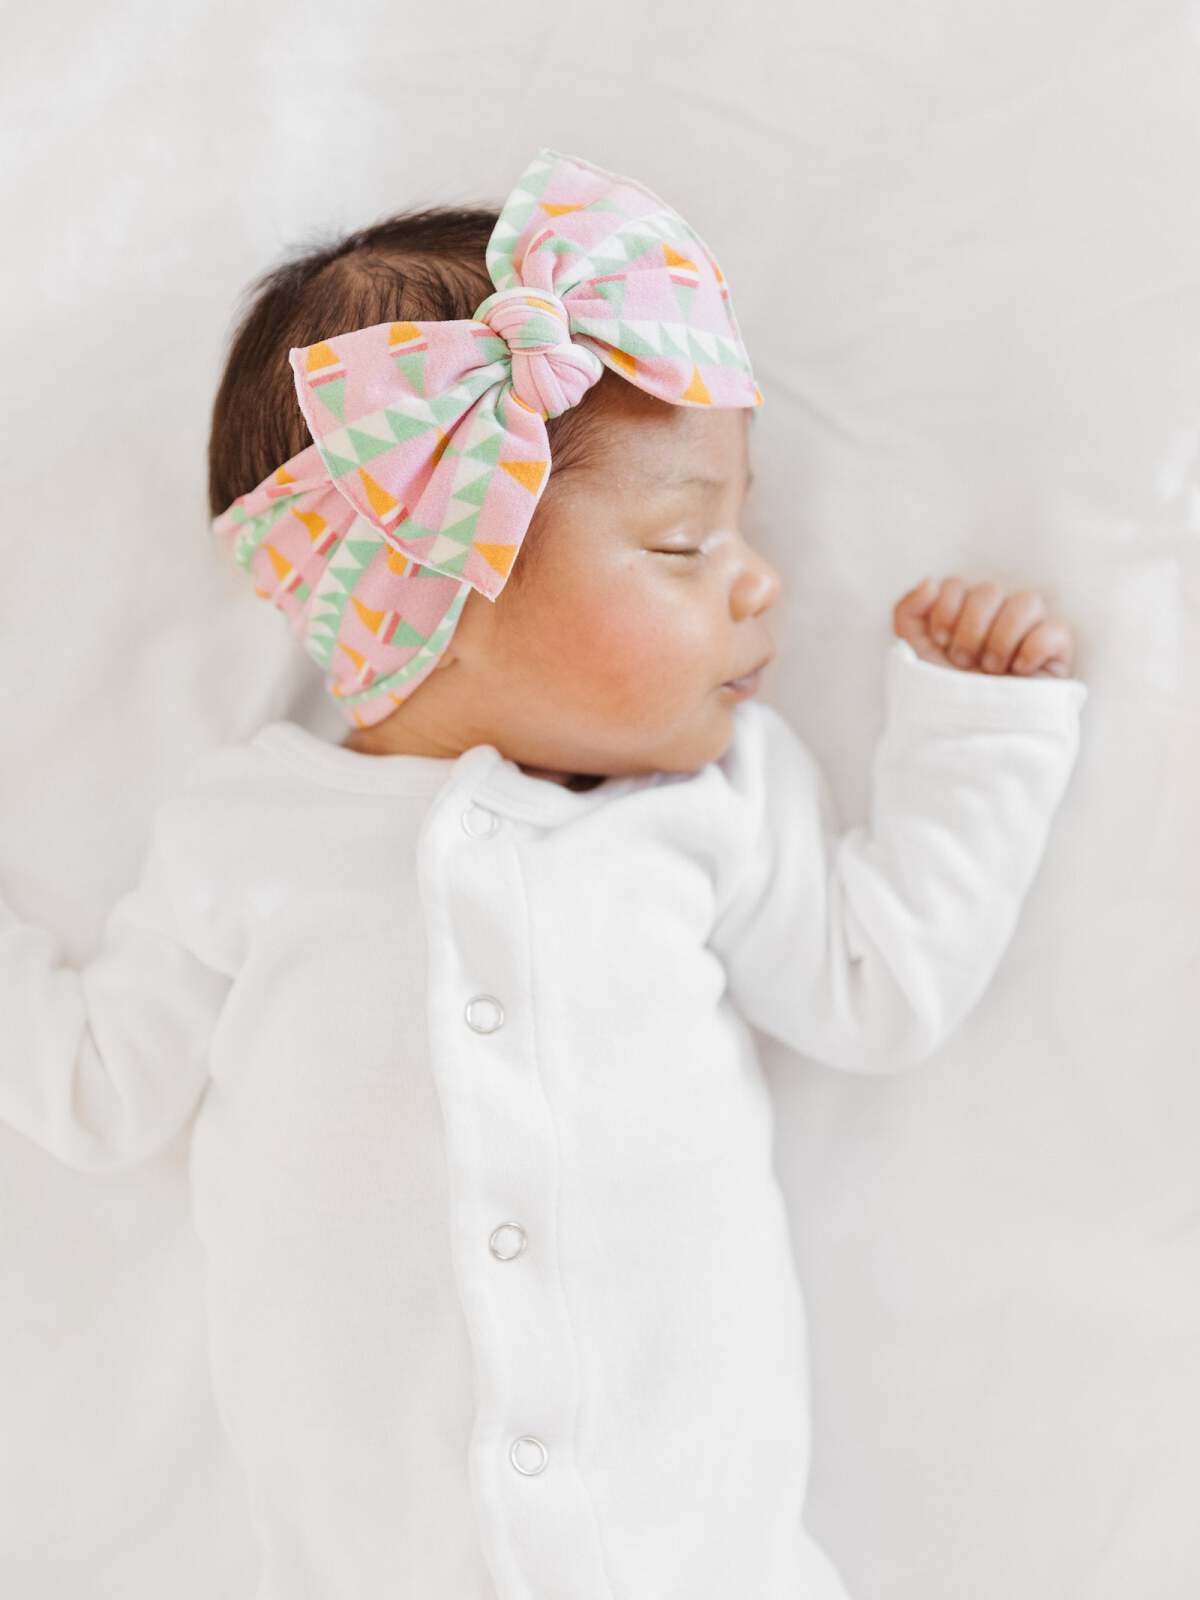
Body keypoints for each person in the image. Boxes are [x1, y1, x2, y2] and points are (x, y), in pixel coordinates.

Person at [0, 147, 1087, 1598]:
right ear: (427, 596)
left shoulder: (715, 804)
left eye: (738, 527)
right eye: (683, 540)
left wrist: (976, 735)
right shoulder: (251, 832)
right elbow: (95, 1086)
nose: (759, 581)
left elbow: (878, 986)